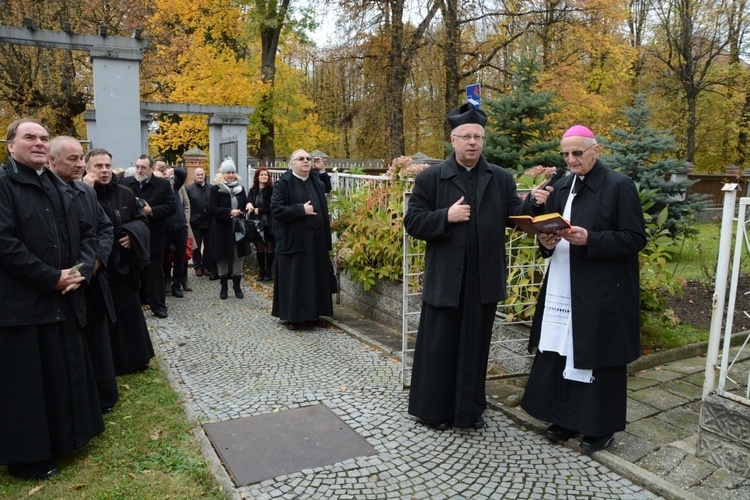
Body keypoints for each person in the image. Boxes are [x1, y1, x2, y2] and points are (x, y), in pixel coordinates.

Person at [403, 103, 550, 431]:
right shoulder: (431, 178)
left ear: (483, 141)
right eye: (466, 136)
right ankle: (433, 412)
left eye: (478, 137)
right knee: (439, 348)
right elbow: (412, 221)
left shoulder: (499, 177)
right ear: (453, 140)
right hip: (446, 279)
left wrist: (532, 203)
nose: (472, 142)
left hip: (482, 279)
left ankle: (469, 411)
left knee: (475, 347)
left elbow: (514, 214)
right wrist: (445, 216)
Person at [520, 125, 646, 452]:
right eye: (565, 154)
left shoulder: (619, 185)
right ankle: (563, 418)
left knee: (596, 355)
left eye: (578, 152)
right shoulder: (562, 186)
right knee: (559, 352)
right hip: (563, 280)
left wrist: (591, 238)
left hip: (601, 288)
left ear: (596, 150)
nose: (571, 159)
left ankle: (599, 427)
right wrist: (546, 241)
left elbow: (635, 239)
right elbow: (550, 233)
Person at [0, 119, 103, 480]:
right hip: (24, 303)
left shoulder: (57, 186)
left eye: (44, 138)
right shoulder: (3, 185)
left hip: (66, 296)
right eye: (30, 137)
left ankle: (67, 438)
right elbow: (5, 244)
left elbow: (87, 231)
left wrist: (81, 269)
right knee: (28, 383)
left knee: (61, 370)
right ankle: (26, 457)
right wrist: (51, 278)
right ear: (11, 145)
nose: (39, 143)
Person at [48, 136, 119, 413]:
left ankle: (103, 397)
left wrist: (93, 264)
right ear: (52, 161)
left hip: (91, 279)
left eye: (81, 158)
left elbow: (103, 229)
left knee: (98, 342)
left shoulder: (85, 192)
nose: (81, 164)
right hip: (62, 283)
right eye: (74, 159)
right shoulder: (47, 193)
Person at [85, 148, 154, 375]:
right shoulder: (83, 193)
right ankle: (111, 363)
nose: (104, 170)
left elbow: (141, 219)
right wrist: (87, 190)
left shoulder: (124, 192)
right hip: (101, 266)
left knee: (130, 309)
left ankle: (137, 358)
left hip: (124, 265)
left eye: (106, 165)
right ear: (88, 168)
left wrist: (132, 236)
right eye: (98, 166)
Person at [271, 149, 335, 330]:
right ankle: (293, 317)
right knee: (296, 279)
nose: (306, 161)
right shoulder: (283, 184)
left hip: (315, 241)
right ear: (292, 164)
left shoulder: (314, 179)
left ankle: (313, 315)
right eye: (301, 159)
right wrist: (301, 210)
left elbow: (327, 187)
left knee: (315, 278)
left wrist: (322, 170)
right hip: (294, 241)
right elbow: (276, 210)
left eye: (308, 159)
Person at [121, 155, 176, 318]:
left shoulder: (163, 184)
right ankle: (134, 304)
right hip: (131, 235)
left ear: (152, 169)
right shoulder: (126, 183)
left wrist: (152, 211)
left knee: (155, 273)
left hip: (154, 235)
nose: (139, 170)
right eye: (137, 166)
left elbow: (171, 207)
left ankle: (158, 306)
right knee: (132, 271)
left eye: (143, 167)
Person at [208, 158, 252, 299]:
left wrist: (249, 205)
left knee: (238, 256)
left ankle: (237, 286)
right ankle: (224, 287)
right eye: (228, 173)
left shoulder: (240, 188)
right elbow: (211, 208)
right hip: (222, 228)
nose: (231, 175)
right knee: (222, 257)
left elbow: (245, 202)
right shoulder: (216, 189)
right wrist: (229, 212)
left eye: (232, 172)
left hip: (238, 228)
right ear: (222, 174)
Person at [162, 167, 190, 298]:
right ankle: (166, 280)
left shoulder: (175, 187)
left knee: (180, 259)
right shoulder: (158, 191)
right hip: (165, 229)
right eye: (163, 175)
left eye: (166, 175)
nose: (166, 177)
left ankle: (177, 286)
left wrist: (173, 170)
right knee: (165, 259)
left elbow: (183, 174)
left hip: (180, 227)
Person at [247, 166, 275, 281]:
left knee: (269, 246)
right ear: (257, 177)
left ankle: (268, 271)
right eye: (261, 175)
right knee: (259, 247)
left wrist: (260, 210)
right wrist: (248, 204)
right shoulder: (253, 190)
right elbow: (248, 201)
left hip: (269, 222)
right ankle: (261, 270)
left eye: (266, 175)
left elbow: (273, 206)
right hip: (256, 223)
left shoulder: (272, 190)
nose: (264, 177)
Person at [185, 167, 212, 277]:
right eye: (198, 175)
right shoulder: (189, 189)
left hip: (209, 221)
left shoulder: (211, 188)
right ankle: (197, 266)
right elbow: (187, 205)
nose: (200, 176)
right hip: (195, 222)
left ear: (204, 175)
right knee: (196, 246)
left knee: (209, 246)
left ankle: (206, 266)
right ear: (194, 176)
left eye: (202, 174)